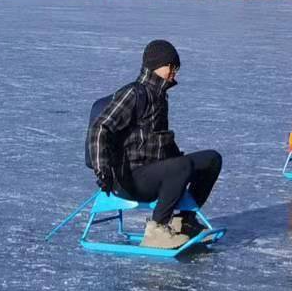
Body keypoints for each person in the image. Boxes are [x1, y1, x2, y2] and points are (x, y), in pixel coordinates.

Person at [87, 39, 223, 249]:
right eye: (172, 66)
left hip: (155, 172)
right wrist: (102, 170)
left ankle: (184, 221)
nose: (174, 72)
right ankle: (157, 229)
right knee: (182, 166)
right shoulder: (134, 93)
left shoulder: (159, 97)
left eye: (176, 68)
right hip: (130, 178)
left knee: (211, 159)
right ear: (156, 65)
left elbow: (159, 141)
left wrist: (179, 159)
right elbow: (100, 128)